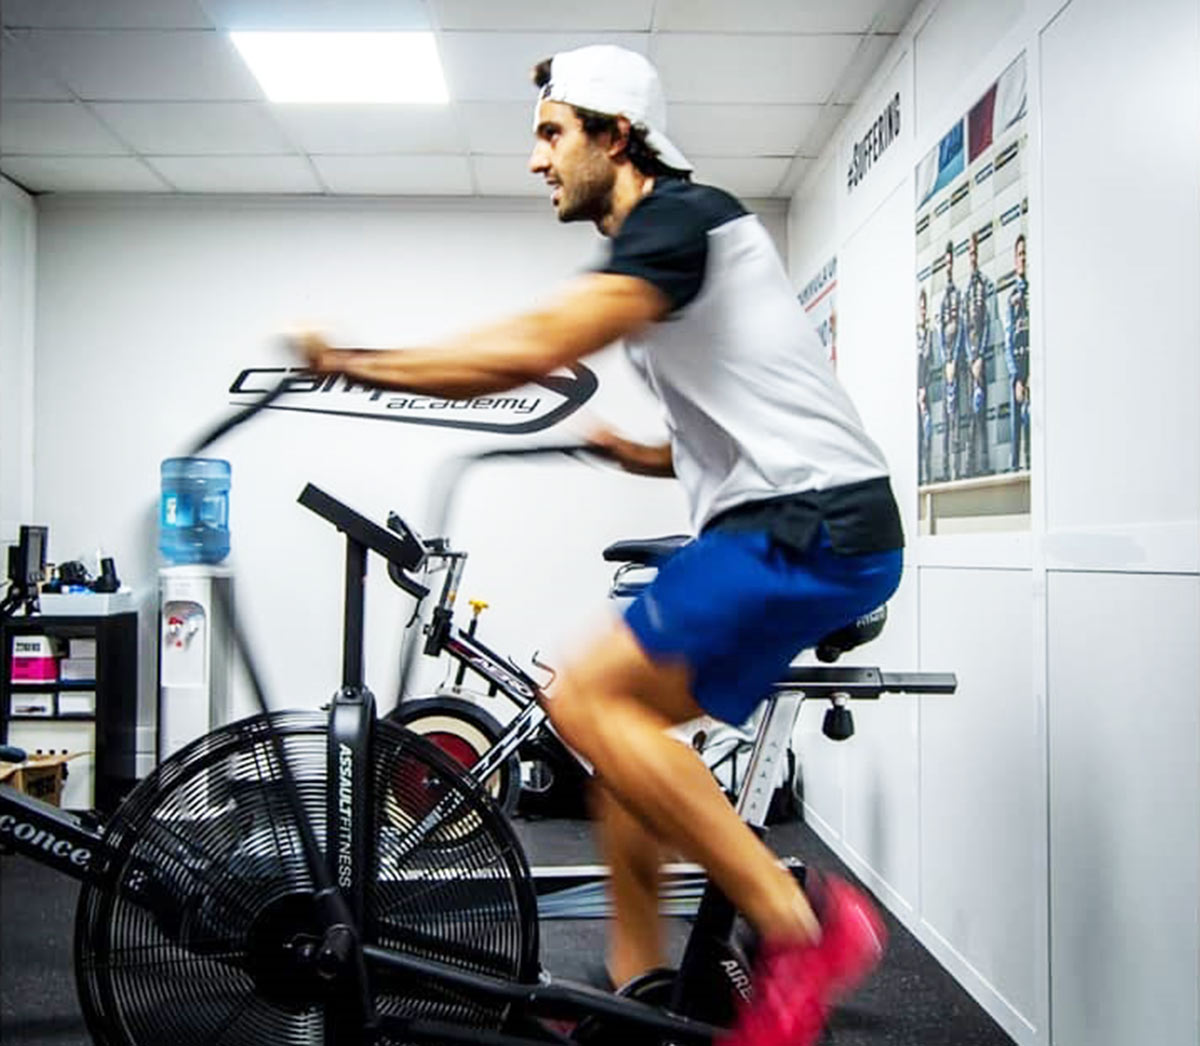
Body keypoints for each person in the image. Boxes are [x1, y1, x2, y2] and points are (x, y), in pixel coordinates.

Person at [294, 45, 903, 1046]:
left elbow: (528, 350)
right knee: (618, 746)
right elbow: (754, 414)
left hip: (809, 524)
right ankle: (637, 991)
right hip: (811, 520)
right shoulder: (678, 243)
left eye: (551, 133)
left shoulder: (676, 223)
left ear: (617, 136)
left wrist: (359, 362)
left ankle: (804, 922)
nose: (537, 160)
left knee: (580, 694)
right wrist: (646, 452)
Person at [963, 231, 992, 477]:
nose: (972, 257)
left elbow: (987, 324)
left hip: (981, 363)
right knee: (970, 417)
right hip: (968, 363)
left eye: (975, 252)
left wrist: (980, 356)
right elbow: (964, 330)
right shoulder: (965, 292)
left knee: (981, 414)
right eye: (969, 253)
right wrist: (969, 358)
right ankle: (970, 466)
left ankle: (984, 465)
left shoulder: (984, 285)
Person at [937, 239, 966, 482]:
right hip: (945, 370)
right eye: (945, 264)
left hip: (958, 370)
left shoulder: (958, 297)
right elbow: (939, 334)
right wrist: (945, 362)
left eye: (950, 263)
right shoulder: (943, 300)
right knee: (946, 424)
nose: (948, 268)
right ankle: (947, 470)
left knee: (958, 423)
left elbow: (962, 330)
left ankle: (958, 469)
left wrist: (953, 361)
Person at [1004, 233, 1030, 471]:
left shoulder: (1034, 293)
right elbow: (1007, 338)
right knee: (1015, 432)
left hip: (1032, 372)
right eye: (1020, 254)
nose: (1023, 258)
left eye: (1026, 254)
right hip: (1017, 375)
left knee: (1031, 427)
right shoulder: (1012, 296)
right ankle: (1014, 469)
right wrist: (1016, 377)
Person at [916, 288, 935, 485]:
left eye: (924, 308)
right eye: (920, 308)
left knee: (928, 436)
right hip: (915, 396)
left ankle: (928, 475)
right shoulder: (914, 337)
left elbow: (930, 364)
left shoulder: (930, 335)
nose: (922, 311)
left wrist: (924, 389)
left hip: (926, 394)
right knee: (918, 439)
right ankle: (920, 474)